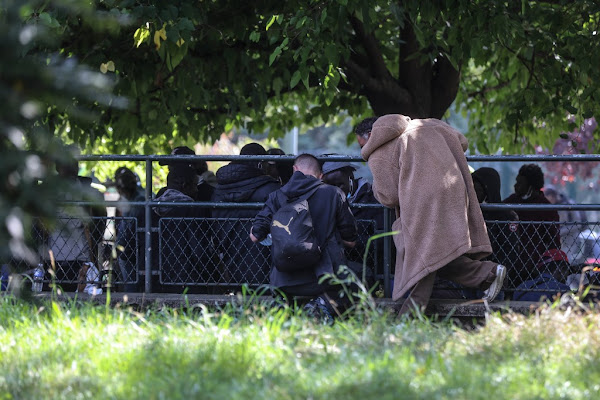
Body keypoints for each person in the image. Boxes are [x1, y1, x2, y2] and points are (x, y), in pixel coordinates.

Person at [360, 114, 506, 316]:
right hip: (453, 191)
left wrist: (377, 188)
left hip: (420, 203)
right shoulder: (430, 125)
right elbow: (462, 141)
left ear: (371, 134)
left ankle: (408, 318)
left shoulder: (380, 150)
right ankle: (486, 274)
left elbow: (388, 196)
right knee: (436, 255)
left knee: (421, 256)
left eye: (362, 143)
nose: (363, 148)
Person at [250, 154, 358, 321]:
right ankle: (321, 306)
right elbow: (351, 240)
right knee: (358, 275)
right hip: (324, 279)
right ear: (320, 176)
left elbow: (254, 237)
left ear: (294, 170)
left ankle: (283, 306)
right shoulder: (333, 193)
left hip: (283, 280)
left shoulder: (276, 196)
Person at [211, 143, 281, 286]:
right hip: (267, 261)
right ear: (261, 164)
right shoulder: (271, 189)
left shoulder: (218, 191)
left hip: (231, 259)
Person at [41, 147, 107, 291]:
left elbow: (95, 225)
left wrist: (92, 258)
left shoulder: (86, 192)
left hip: (72, 258)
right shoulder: (51, 191)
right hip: (63, 258)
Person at [321, 158, 384, 286]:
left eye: (339, 185)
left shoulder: (373, 198)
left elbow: (383, 240)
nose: (336, 191)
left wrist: (353, 243)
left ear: (351, 177)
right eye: (330, 187)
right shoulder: (324, 201)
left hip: (371, 267)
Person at [154, 163, 214, 290]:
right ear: (185, 186)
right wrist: (211, 274)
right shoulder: (193, 209)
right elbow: (198, 249)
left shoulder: (149, 209)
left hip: (154, 278)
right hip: (189, 279)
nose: (197, 190)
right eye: (194, 185)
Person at [503, 164, 561, 285]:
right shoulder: (512, 201)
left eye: (520, 182)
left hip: (535, 267)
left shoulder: (545, 208)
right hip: (510, 264)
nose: (516, 185)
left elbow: (553, 241)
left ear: (531, 185)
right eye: (516, 181)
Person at [472, 167, 521, 287]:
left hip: (496, 276)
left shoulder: (506, 215)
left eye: (477, 190)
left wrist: (496, 272)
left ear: (488, 190)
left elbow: (511, 251)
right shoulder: (470, 212)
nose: (473, 194)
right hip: (472, 274)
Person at [114, 167, 145, 291]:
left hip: (132, 247)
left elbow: (128, 227)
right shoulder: (130, 200)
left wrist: (120, 246)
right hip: (129, 247)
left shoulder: (138, 201)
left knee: (132, 283)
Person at [544, 185, 587, 265]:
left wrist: (560, 231)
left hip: (570, 240)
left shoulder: (569, 204)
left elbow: (578, 224)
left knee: (566, 262)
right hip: (557, 240)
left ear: (553, 196)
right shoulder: (551, 207)